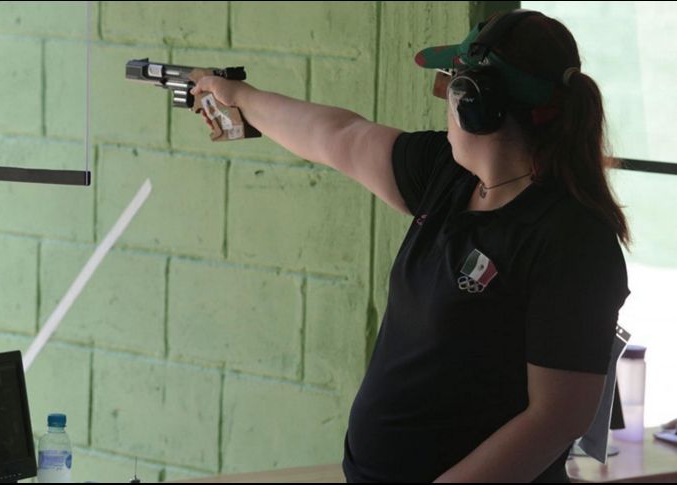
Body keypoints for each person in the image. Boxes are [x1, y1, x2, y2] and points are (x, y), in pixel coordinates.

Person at [192, 9, 630, 483]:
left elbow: (557, 417)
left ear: (473, 101)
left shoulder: (571, 238)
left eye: (449, 85)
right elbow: (338, 136)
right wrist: (240, 97)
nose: (443, 101)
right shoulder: (450, 175)